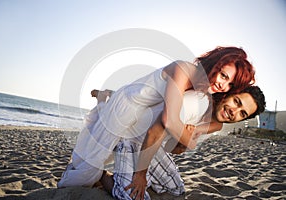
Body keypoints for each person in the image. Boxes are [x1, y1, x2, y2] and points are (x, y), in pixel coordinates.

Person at [57, 46, 255, 188]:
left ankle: (107, 94)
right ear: (215, 64)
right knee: (87, 169)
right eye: (223, 75)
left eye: (230, 85)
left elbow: (173, 137)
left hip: (141, 113)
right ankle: (106, 97)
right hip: (126, 106)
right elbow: (169, 121)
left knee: (106, 155)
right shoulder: (184, 70)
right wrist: (190, 141)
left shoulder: (202, 94)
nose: (223, 86)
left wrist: (183, 138)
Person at [109, 86, 266, 200]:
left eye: (242, 113)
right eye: (236, 101)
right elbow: (153, 132)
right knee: (131, 195)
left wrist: (182, 143)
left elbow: (172, 149)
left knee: (176, 189)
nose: (234, 111)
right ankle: (103, 176)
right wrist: (140, 175)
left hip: (153, 147)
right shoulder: (198, 101)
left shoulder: (217, 125)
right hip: (133, 135)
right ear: (228, 95)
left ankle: (127, 176)